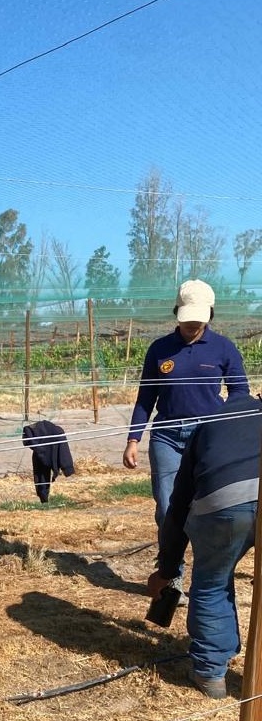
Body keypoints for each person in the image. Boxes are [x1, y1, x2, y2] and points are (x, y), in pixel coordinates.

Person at [123, 279, 248, 591]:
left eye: (198, 318)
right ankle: (172, 576)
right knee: (167, 507)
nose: (192, 324)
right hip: (166, 436)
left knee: (211, 506)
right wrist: (133, 439)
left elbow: (240, 395)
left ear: (209, 315)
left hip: (208, 439)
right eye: (186, 317)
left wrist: (232, 433)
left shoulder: (224, 349)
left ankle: (211, 575)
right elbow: (145, 398)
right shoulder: (160, 349)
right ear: (177, 312)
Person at [148, 390, 262, 699]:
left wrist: (168, 569)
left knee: (212, 581)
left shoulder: (211, 422)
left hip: (223, 503)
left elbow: (179, 504)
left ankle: (210, 673)